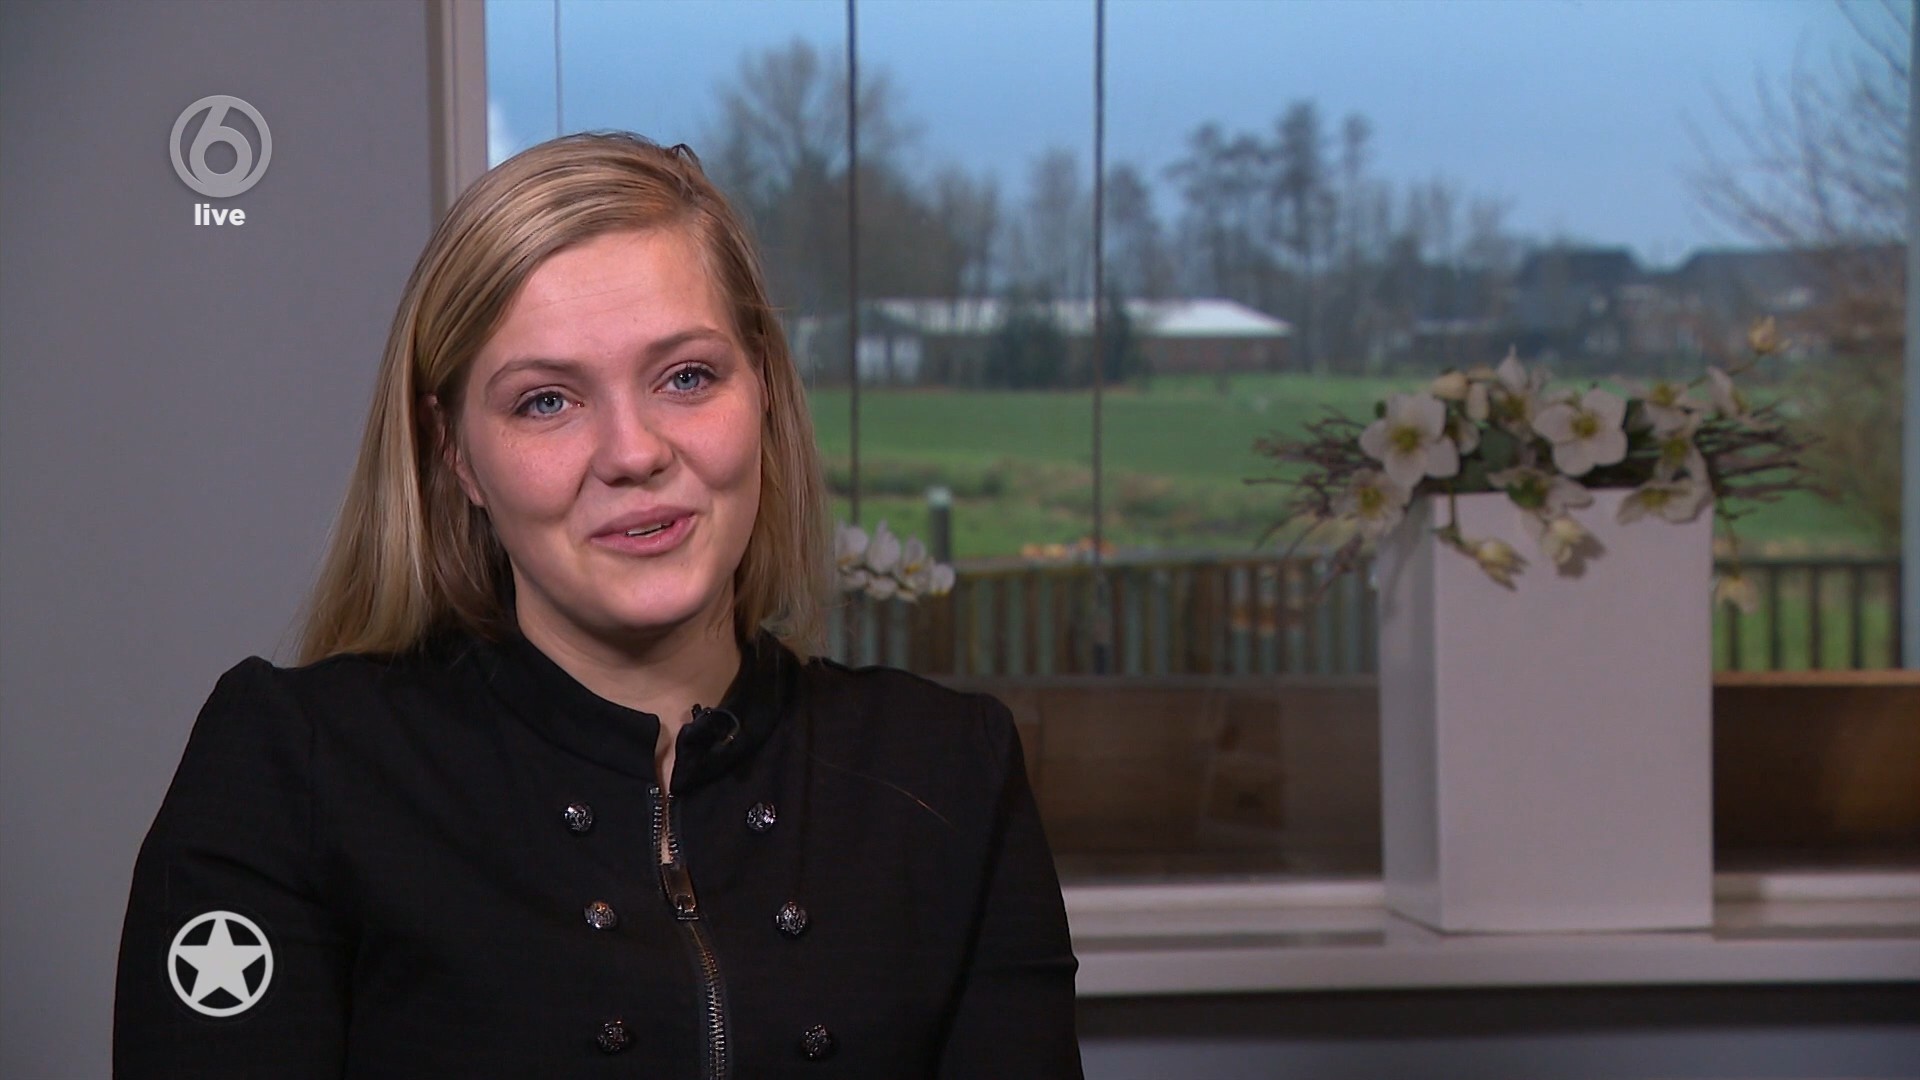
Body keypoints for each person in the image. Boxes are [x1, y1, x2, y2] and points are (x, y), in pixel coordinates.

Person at [112, 131, 1083, 1078]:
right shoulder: (289, 769)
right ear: (456, 455)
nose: (633, 452)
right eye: (546, 400)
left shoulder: (952, 770)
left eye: (687, 377)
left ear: (764, 392)